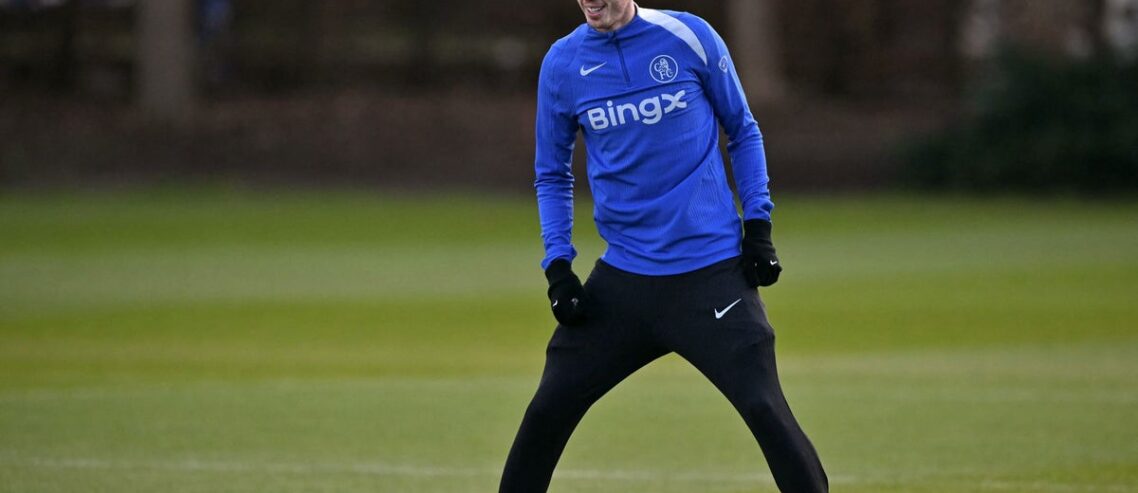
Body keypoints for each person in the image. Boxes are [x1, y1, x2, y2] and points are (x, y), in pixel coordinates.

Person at [500, 1, 829, 491]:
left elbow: (743, 130)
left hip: (711, 277)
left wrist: (758, 226)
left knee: (765, 409)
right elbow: (551, 174)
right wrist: (558, 267)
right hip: (623, 285)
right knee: (546, 413)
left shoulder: (689, 36)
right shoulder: (563, 63)